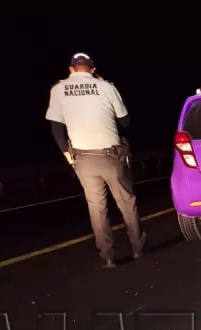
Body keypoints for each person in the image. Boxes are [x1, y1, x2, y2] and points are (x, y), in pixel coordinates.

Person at [46, 52, 146, 268]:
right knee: (126, 201)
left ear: (71, 69)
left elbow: (56, 129)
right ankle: (138, 249)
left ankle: (108, 258)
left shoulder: (58, 90)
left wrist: (68, 156)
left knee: (96, 208)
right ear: (93, 69)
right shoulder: (107, 87)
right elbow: (126, 122)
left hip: (83, 157)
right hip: (111, 156)